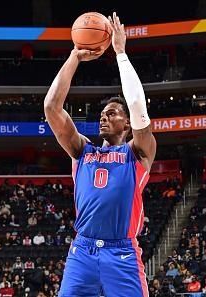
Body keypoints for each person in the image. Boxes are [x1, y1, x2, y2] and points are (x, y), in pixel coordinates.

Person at [44, 12, 156, 297]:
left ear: (126, 123)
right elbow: (51, 108)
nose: (103, 118)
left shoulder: (138, 152)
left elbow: (137, 106)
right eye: (102, 114)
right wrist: (74, 57)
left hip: (122, 253)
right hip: (83, 250)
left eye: (112, 113)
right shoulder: (82, 151)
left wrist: (120, 53)